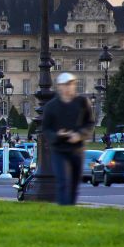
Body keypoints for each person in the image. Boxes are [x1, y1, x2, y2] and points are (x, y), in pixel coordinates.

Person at [40, 72, 95, 206]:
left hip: (77, 149)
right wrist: (58, 135)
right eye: (65, 85)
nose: (68, 88)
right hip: (59, 149)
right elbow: (46, 129)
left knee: (74, 183)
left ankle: (70, 209)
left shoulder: (82, 102)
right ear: (59, 87)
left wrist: (79, 135)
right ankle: (64, 208)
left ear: (74, 85)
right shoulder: (51, 106)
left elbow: (90, 123)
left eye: (70, 84)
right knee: (63, 181)